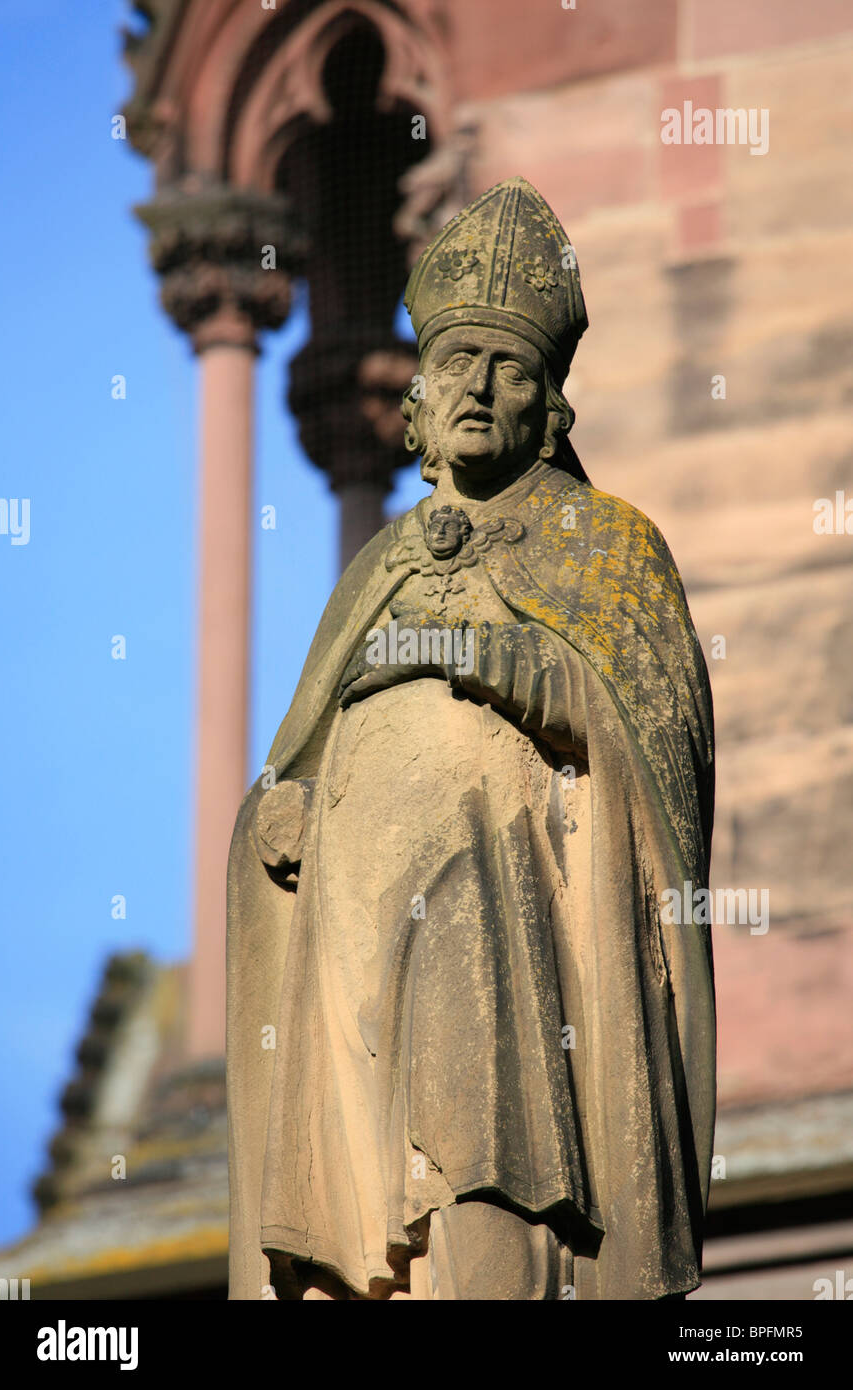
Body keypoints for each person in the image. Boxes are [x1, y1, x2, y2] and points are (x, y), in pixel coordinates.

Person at [226, 176, 716, 1301]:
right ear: (415, 396)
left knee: (493, 1162)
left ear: (550, 405)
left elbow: (654, 753)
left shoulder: (605, 548)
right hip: (356, 931)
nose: (479, 386)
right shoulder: (377, 566)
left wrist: (513, 666)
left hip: (508, 908)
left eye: (509, 367)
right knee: (382, 1207)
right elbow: (297, 749)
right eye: (455, 362)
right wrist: (279, 815)